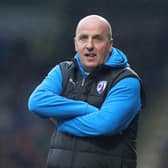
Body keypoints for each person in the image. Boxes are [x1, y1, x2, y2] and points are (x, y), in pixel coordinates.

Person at [28, 15, 144, 168]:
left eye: (97, 39)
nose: (90, 45)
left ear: (110, 45)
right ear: (75, 43)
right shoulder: (62, 71)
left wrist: (61, 121)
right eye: (83, 38)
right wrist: (86, 109)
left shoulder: (126, 81)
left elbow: (105, 124)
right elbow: (36, 103)